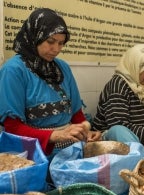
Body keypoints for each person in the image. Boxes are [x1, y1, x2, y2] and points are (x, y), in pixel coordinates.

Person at [0, 8, 101, 157]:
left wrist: (85, 132)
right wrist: (56, 135)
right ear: (35, 36)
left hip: (71, 145)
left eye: (61, 43)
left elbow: (76, 114)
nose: (56, 49)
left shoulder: (62, 68)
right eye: (50, 41)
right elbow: (12, 127)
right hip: (34, 151)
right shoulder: (14, 70)